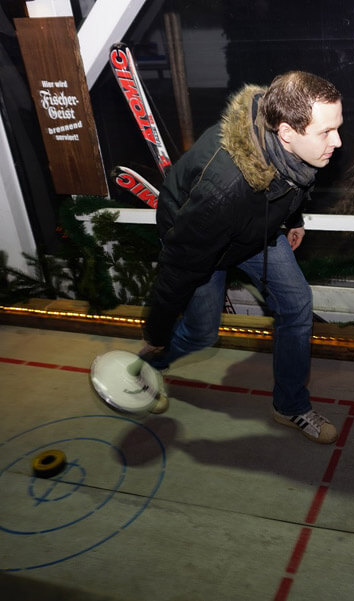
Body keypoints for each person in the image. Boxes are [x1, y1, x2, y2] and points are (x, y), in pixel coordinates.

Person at [137, 71, 343, 445]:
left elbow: (292, 180)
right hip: (203, 237)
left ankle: (290, 405)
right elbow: (179, 267)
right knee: (201, 332)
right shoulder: (224, 190)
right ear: (286, 133)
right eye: (327, 132)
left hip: (255, 224)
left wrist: (292, 219)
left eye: (337, 128)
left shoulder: (290, 138)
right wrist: (156, 330)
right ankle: (150, 365)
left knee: (297, 303)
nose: (337, 141)